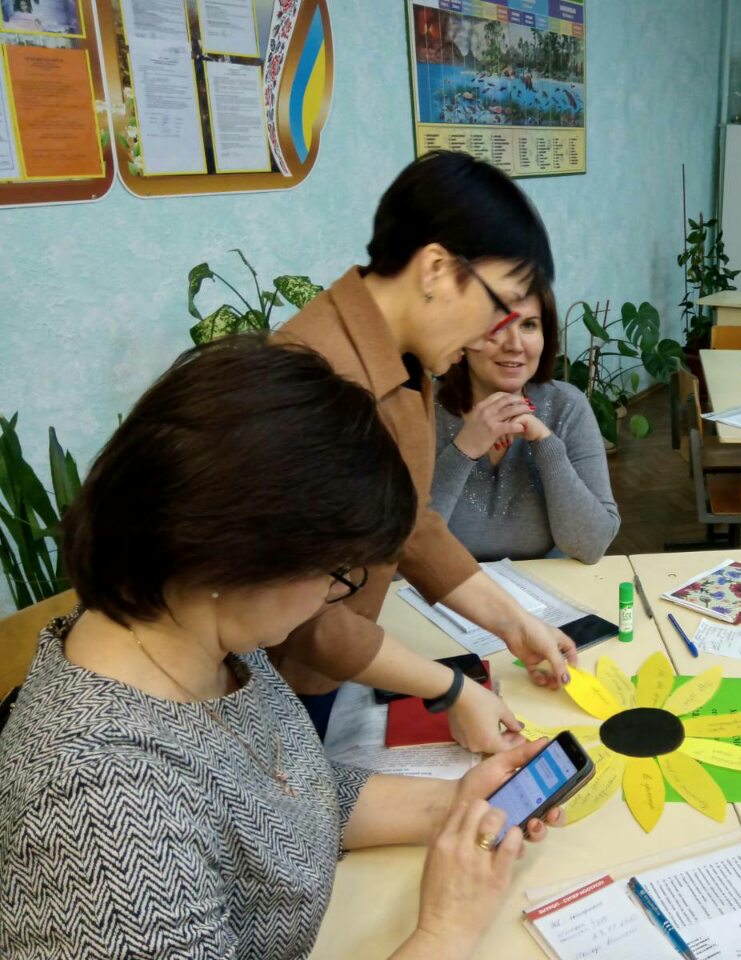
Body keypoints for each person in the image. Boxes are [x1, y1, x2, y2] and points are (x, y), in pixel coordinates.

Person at [0, 338, 562, 959]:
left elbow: (287, 800)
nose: (332, 596)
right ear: (242, 556)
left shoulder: (202, 633)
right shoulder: (103, 800)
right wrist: (445, 930)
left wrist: (453, 804)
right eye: (336, 573)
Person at [273, 151, 578, 750]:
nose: (496, 335)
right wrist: (452, 689)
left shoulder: (402, 360)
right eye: (500, 306)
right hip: (280, 686)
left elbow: (407, 521)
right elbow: (297, 613)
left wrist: (514, 623)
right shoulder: (321, 386)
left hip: (336, 659)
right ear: (437, 269)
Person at [433, 281, 620, 562]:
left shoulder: (567, 405)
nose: (515, 345)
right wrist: (463, 450)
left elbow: (591, 546)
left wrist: (546, 444)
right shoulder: (421, 410)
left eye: (529, 325)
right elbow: (397, 559)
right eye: (497, 325)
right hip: (445, 586)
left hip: (542, 585)